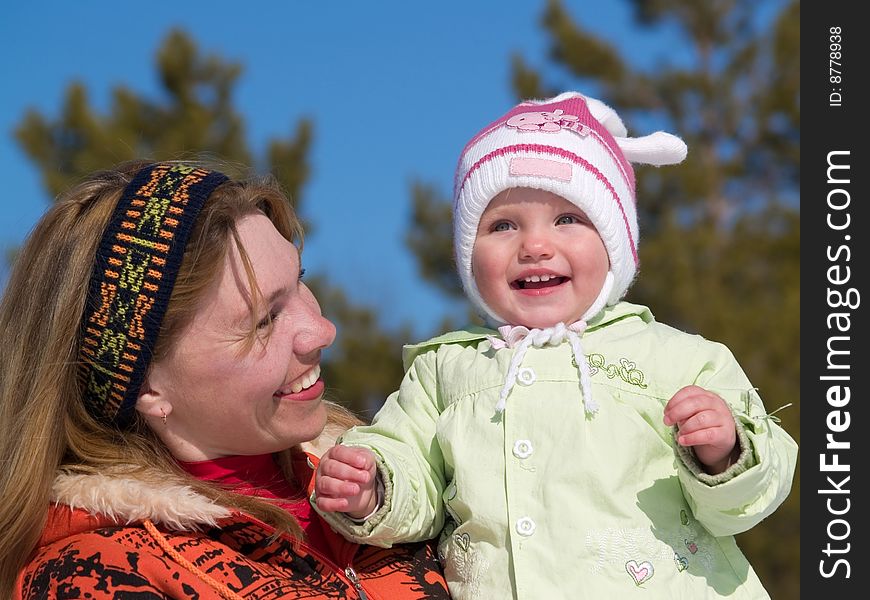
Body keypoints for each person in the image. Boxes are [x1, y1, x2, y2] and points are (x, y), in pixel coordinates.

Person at [313, 92, 798, 598]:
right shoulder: (447, 371)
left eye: (568, 219)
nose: (535, 246)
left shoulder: (677, 359)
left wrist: (727, 452)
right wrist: (374, 487)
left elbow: (749, 501)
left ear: (614, 244)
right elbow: (411, 465)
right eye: (503, 225)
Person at [0, 160, 449, 599]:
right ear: (148, 388)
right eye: (263, 321)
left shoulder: (396, 476)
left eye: (300, 280)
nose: (322, 330)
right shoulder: (94, 575)